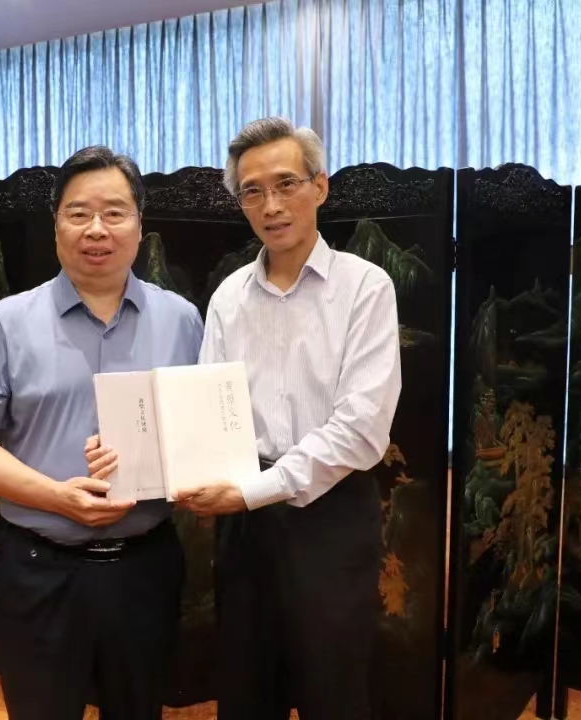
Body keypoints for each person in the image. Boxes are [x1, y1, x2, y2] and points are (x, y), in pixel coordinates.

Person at [0, 145, 204, 720]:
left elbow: (197, 434)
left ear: (140, 225)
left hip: (145, 568)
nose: (96, 229)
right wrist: (58, 497)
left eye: (114, 213)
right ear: (56, 225)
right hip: (40, 566)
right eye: (78, 213)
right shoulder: (8, 322)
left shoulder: (182, 320)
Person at [177, 116, 402, 719]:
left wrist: (255, 489)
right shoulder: (228, 296)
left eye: (286, 184)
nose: (271, 206)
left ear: (319, 186)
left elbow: (361, 429)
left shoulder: (365, 288)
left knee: (333, 690)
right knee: (246, 687)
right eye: (252, 191)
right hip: (244, 521)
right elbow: (207, 407)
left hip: (331, 513)